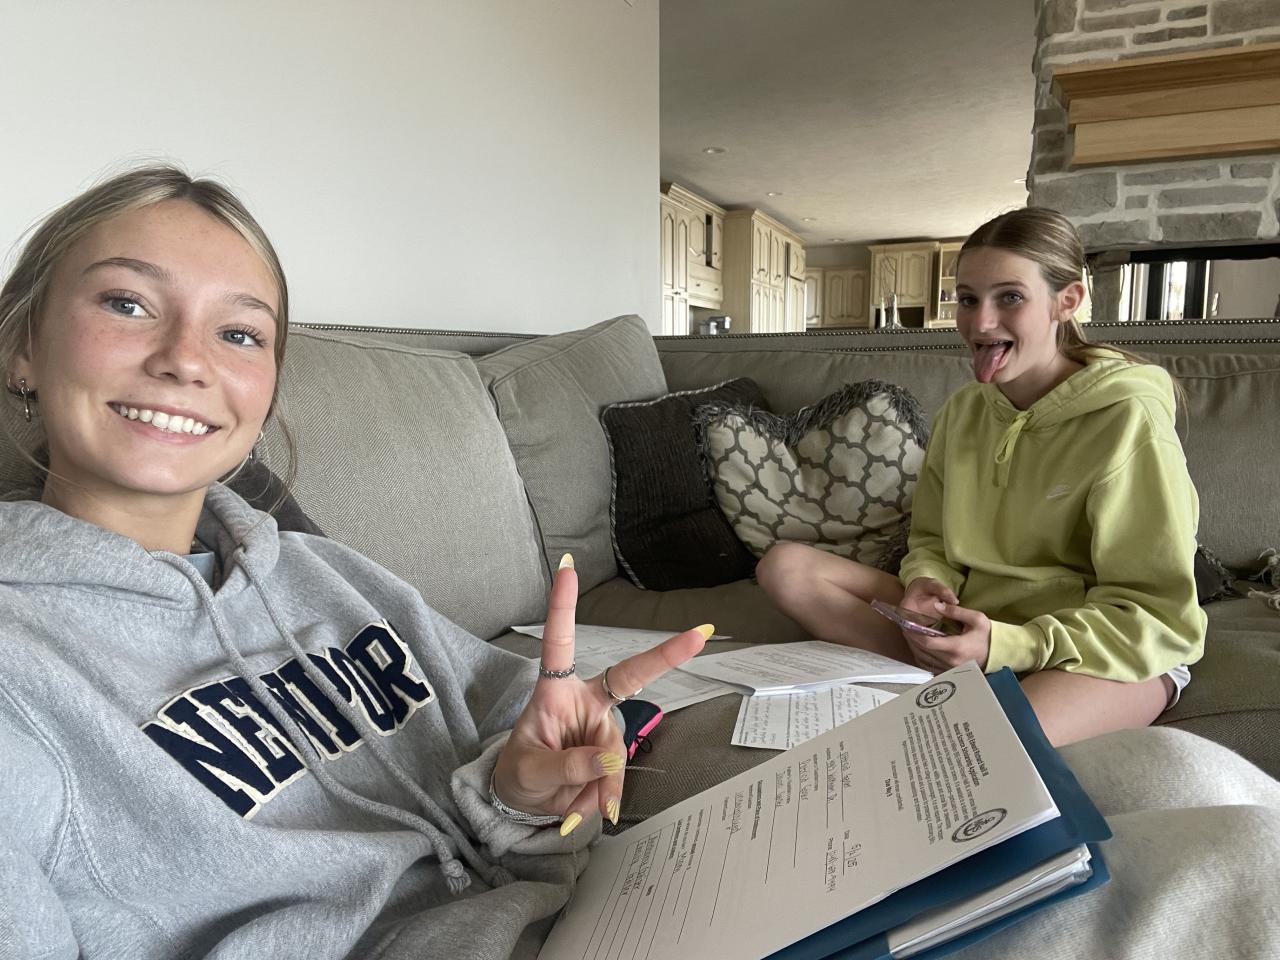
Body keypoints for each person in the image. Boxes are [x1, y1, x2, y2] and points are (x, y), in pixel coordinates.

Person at [0, 164, 711, 958]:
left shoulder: (323, 574)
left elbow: (511, 728)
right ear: (23, 347)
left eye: (238, 334)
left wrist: (517, 793)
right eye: (127, 303)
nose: (185, 360)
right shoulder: (20, 666)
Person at [757, 207, 1206, 746]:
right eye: (968, 299)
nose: (981, 323)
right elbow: (931, 539)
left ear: (1067, 301)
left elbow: (1154, 613)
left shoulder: (1129, 419)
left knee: (977, 745)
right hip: (974, 624)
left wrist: (1010, 645)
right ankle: (955, 673)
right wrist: (927, 583)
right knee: (786, 568)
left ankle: (967, 689)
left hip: (1094, 650)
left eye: (1010, 297)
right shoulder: (964, 410)